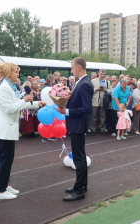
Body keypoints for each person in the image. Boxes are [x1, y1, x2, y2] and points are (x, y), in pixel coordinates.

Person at [0, 62, 45, 200]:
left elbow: (18, 104)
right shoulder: (3, 88)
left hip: (9, 128)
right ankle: (0, 191)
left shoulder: (10, 86)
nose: (17, 74)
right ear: (8, 72)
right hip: (5, 128)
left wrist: (36, 103)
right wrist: (24, 99)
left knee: (9, 159)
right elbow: (9, 109)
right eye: (15, 71)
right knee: (6, 158)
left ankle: (4, 185)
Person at [55, 57, 93, 202]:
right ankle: (82, 185)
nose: (71, 71)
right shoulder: (80, 82)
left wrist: (67, 112)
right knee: (80, 156)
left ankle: (79, 191)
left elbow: (86, 108)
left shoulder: (84, 84)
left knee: (78, 158)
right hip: (76, 125)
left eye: (72, 68)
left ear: (78, 67)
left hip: (78, 125)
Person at [90, 69, 112, 135]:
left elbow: (110, 91)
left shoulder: (107, 82)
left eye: (103, 74)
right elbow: (89, 90)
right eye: (101, 74)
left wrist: (105, 90)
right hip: (95, 101)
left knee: (103, 116)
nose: (102, 75)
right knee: (94, 116)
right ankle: (93, 130)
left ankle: (102, 129)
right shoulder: (93, 81)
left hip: (103, 101)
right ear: (98, 73)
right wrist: (96, 89)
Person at [41, 74, 57, 142]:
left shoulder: (50, 86)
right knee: (46, 120)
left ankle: (50, 134)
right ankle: (44, 136)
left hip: (51, 106)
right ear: (51, 80)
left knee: (51, 120)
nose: (54, 81)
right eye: (53, 79)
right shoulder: (46, 87)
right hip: (46, 106)